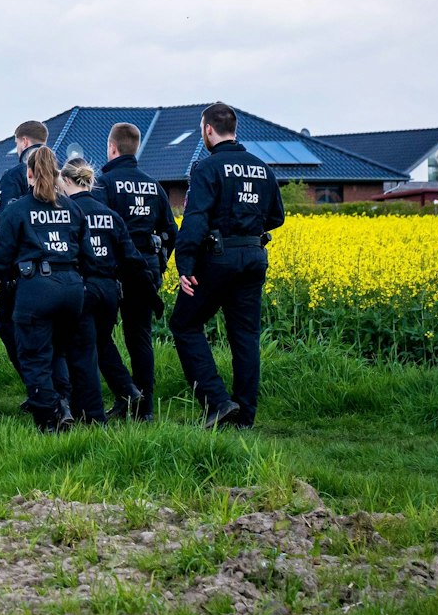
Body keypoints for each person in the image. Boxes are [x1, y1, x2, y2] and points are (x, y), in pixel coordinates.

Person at [171, 102, 284, 428]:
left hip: (217, 259)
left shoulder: (207, 168)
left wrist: (185, 266)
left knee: (185, 324)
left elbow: (194, 220)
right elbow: (277, 216)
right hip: (253, 257)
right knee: (245, 336)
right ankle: (245, 417)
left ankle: (217, 401)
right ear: (234, 128)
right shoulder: (262, 168)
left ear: (208, 129)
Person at [0, 146, 87, 433]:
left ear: (28, 173)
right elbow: (84, 249)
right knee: (58, 352)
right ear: (57, 174)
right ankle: (64, 403)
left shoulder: (18, 209)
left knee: (34, 356)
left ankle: (48, 418)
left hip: (36, 290)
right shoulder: (72, 208)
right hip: (72, 289)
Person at [96, 122, 179, 420]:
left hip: (114, 270)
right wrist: (160, 266)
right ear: (137, 148)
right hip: (146, 270)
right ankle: (144, 408)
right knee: (139, 337)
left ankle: (125, 393)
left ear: (112, 148)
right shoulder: (153, 185)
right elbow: (171, 231)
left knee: (98, 335)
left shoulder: (103, 184)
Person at [63, 158, 144, 424]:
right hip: (110, 289)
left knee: (81, 350)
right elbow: (130, 256)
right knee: (102, 341)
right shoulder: (109, 213)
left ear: (65, 181)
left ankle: (91, 415)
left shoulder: (68, 211)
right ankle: (127, 389)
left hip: (83, 287)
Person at [0, 121, 49, 382]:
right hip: (63, 267)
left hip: (22, 271)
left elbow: (5, 223)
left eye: (16, 143)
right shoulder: (59, 171)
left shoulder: (14, 175)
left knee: (8, 324)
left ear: (24, 142)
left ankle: (35, 384)